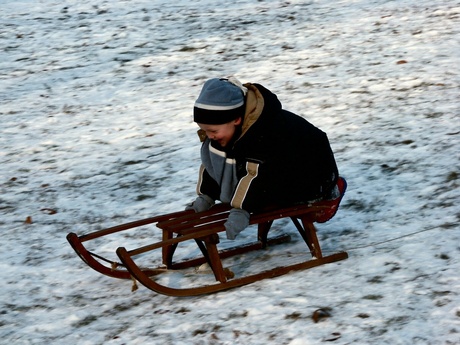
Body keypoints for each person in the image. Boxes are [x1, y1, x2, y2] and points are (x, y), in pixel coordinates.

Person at [186, 77, 339, 240]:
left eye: (213, 130)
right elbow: (214, 161)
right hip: (281, 171)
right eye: (204, 130)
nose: (209, 135)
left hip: (313, 177)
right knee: (219, 148)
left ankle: (330, 193)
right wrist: (207, 196)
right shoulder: (230, 129)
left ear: (236, 119)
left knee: (259, 172)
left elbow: (258, 176)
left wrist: (241, 210)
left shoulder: (265, 134)